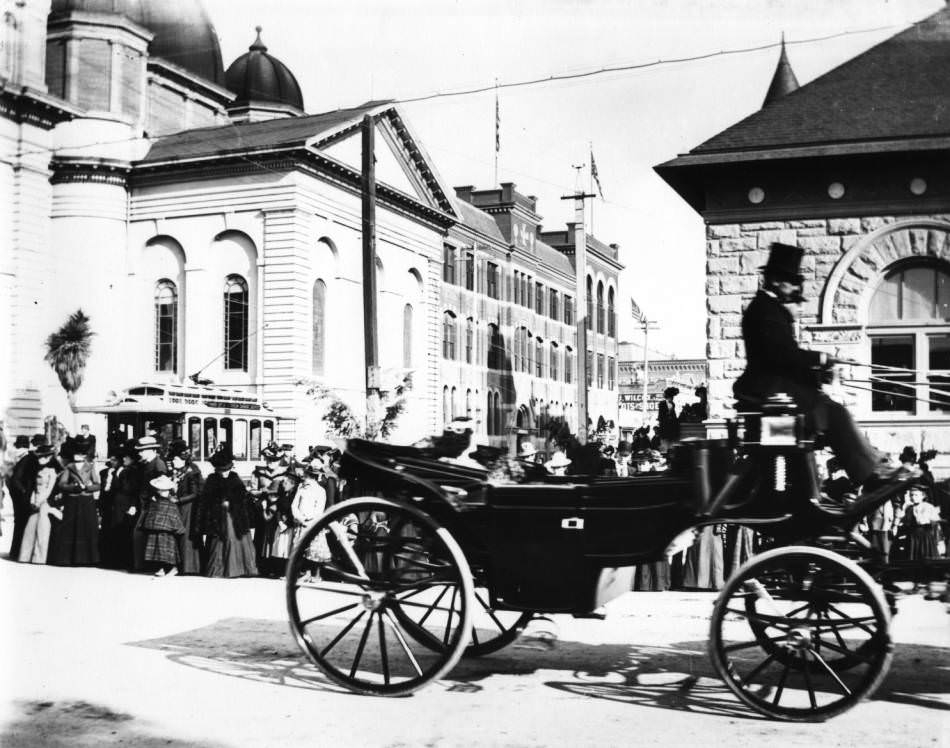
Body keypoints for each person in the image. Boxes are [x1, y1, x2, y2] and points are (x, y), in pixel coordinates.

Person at [734, 241, 914, 490]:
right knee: (834, 413)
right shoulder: (764, 310)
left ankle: (869, 465)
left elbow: (783, 358)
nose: (796, 287)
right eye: (792, 281)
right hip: (769, 390)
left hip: (775, 387)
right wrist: (820, 360)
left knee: (830, 408)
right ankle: (869, 473)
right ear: (776, 280)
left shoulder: (768, 308)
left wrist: (820, 372)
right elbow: (782, 356)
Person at [198, 448, 258, 578]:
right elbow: (207, 498)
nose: (224, 473)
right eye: (221, 470)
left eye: (226, 470)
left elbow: (242, 497)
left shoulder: (235, 479)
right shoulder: (212, 479)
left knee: (234, 539)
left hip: (233, 516)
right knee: (218, 541)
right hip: (217, 515)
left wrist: (232, 503)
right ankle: (219, 569)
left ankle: (237, 568)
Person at [47, 438, 101, 566]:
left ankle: (88, 559)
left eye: (81, 454)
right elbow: (61, 484)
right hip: (72, 500)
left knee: (87, 528)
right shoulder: (69, 467)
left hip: (87, 501)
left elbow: (98, 485)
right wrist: (73, 487)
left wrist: (88, 487)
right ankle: (69, 558)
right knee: (71, 528)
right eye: (77, 454)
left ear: (85, 455)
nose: (79, 456)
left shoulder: (91, 467)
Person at [17, 444, 60, 564]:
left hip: (45, 502)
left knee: (43, 529)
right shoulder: (38, 470)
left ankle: (40, 557)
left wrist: (41, 500)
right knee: (30, 528)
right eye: (39, 457)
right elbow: (34, 487)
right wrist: (32, 499)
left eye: (42, 457)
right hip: (36, 500)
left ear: (49, 458)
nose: (40, 459)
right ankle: (25, 556)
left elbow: (50, 489)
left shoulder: (52, 471)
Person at [132, 436, 168, 571]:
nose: (140, 453)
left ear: (152, 450)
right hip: (144, 504)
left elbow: (162, 485)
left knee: (143, 535)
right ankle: (143, 565)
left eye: (142, 450)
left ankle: (146, 566)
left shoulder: (159, 464)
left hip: (153, 505)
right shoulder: (146, 464)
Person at [168, 440, 204, 575]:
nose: (173, 461)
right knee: (178, 536)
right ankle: (178, 565)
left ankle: (189, 566)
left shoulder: (191, 471)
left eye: (176, 459)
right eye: (172, 459)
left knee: (186, 537)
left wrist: (178, 499)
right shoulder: (177, 471)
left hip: (188, 509)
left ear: (183, 459)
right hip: (178, 507)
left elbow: (195, 493)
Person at [141, 474, 185, 577]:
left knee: (167, 549)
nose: (160, 491)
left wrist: (176, 527)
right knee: (158, 549)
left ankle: (173, 568)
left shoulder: (171, 503)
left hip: (167, 530)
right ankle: (161, 568)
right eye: (159, 489)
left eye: (163, 490)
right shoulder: (154, 501)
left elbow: (173, 515)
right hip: (156, 528)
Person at [100, 448, 138, 570]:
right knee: (116, 531)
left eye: (127, 458)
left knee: (122, 531)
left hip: (125, 504)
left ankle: (123, 561)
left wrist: (133, 505)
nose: (124, 459)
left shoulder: (131, 471)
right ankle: (116, 560)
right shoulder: (118, 470)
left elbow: (131, 489)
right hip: (117, 504)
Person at [657, 386, 680, 452]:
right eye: (672, 396)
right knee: (665, 447)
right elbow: (660, 416)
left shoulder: (673, 404)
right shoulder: (662, 404)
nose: (673, 398)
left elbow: (674, 415)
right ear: (669, 396)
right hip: (665, 428)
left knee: (671, 447)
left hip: (672, 428)